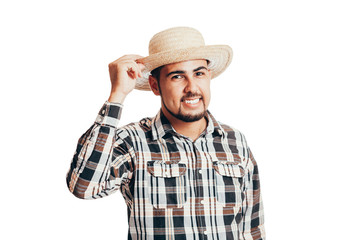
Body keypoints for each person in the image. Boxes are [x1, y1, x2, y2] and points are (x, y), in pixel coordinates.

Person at [66, 26, 265, 240]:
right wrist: (117, 95)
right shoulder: (133, 142)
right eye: (177, 77)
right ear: (155, 85)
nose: (192, 87)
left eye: (199, 73)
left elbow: (252, 229)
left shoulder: (235, 141)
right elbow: (83, 187)